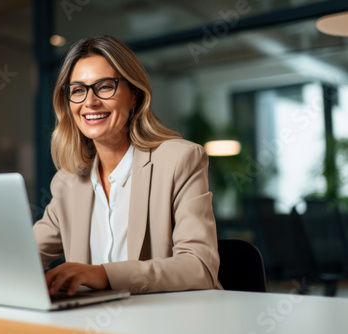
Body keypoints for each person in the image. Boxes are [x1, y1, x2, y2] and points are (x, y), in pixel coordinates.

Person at [33, 35, 222, 296]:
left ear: (134, 95)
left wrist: (102, 274)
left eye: (105, 86)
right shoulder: (68, 182)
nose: (90, 102)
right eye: (78, 90)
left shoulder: (180, 160)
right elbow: (25, 255)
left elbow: (199, 266)